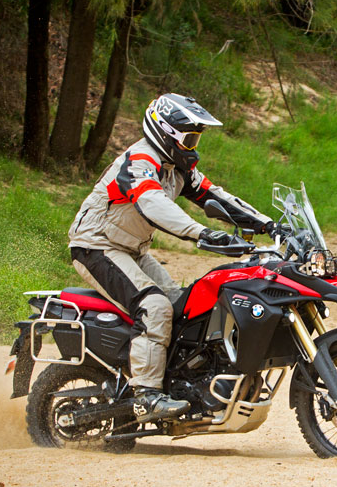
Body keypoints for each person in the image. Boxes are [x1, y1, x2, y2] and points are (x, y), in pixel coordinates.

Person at [68, 93, 280, 422]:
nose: (194, 145)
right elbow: (152, 203)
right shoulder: (139, 161)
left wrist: (270, 224)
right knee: (154, 307)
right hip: (96, 245)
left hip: (131, 249)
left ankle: (180, 383)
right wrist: (201, 233)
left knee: (184, 306)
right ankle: (147, 396)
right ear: (165, 132)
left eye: (196, 138)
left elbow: (216, 196)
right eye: (190, 137)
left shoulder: (178, 168)